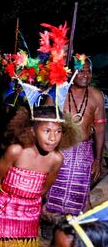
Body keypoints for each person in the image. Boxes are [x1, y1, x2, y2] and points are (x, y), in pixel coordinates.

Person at [0, 105, 82, 247]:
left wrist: (29, 203)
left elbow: (44, 189)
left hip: (31, 213)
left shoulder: (56, 159)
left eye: (58, 131)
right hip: (5, 209)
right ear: (32, 130)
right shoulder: (16, 151)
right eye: (47, 131)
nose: (53, 138)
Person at [45, 56, 106, 218]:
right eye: (80, 71)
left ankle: (73, 230)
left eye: (88, 71)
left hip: (84, 154)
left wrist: (98, 159)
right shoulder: (57, 93)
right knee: (51, 192)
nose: (85, 75)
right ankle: (50, 226)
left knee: (79, 196)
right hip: (58, 150)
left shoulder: (96, 96)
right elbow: (42, 123)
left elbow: (100, 128)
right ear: (70, 72)